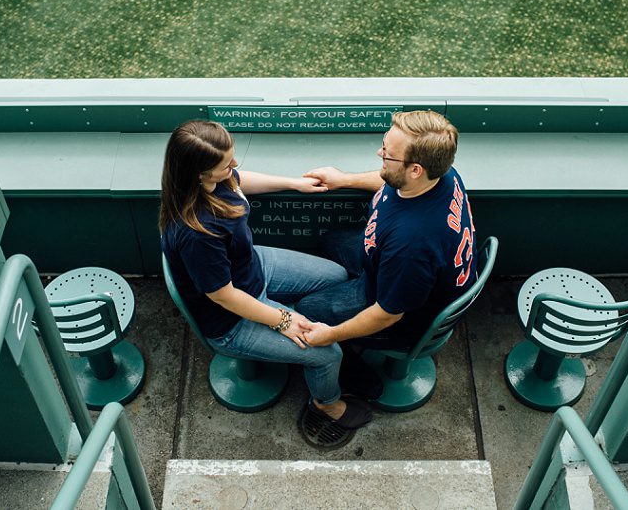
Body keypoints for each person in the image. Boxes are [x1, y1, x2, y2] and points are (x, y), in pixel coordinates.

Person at [159, 119, 372, 430]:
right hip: (230, 318)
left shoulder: (214, 180)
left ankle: (301, 331)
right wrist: (282, 321)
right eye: (224, 163)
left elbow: (238, 179)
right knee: (328, 354)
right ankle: (326, 403)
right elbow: (223, 295)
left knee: (338, 276)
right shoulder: (196, 234)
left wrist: (293, 183)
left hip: (252, 267)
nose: (233, 165)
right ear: (199, 174)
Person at [296, 110, 477, 396]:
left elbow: (387, 314)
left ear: (415, 169)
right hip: (384, 259)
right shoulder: (442, 174)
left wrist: (329, 334)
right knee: (331, 241)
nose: (379, 152)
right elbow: (388, 180)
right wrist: (343, 179)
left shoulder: (412, 246)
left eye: (388, 153)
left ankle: (354, 374)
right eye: (384, 143)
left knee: (307, 310)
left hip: (397, 313)